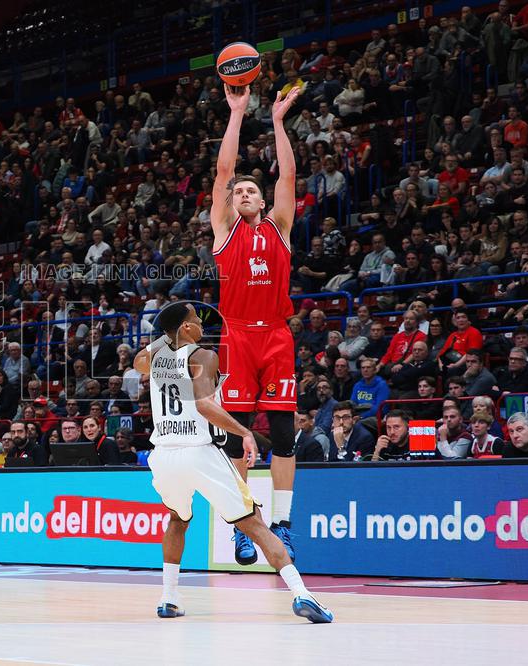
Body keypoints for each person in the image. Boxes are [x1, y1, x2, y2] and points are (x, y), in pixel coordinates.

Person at [133, 302, 332, 623]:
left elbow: (137, 361)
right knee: (254, 523)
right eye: (196, 321)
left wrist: (167, 334)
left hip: (164, 455)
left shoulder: (154, 357)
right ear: (185, 328)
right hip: (198, 451)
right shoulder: (204, 356)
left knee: (177, 520)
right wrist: (244, 432)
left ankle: (168, 597)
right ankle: (301, 594)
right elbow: (203, 405)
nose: (203, 326)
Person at [209, 83, 304, 565]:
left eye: (253, 191)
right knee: (236, 435)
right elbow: (225, 171)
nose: (244, 193)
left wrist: (279, 123)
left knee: (284, 434)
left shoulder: (279, 227)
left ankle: (283, 524)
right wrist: (237, 112)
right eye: (239, 192)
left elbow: (288, 173)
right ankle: (244, 526)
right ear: (231, 203)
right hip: (237, 334)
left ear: (264, 203)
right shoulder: (224, 231)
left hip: (276, 335)